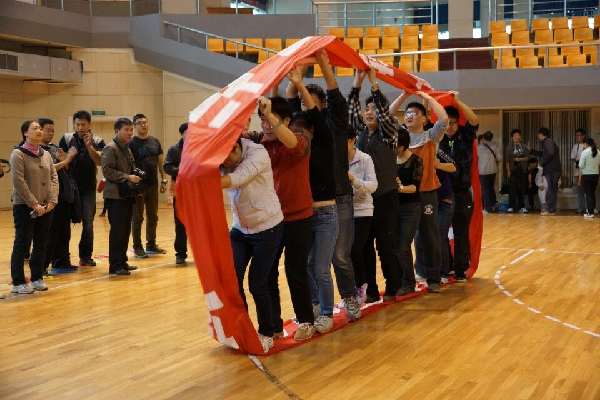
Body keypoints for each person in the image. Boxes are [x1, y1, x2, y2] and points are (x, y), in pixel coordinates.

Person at [287, 50, 361, 322]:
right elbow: (291, 96)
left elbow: (332, 85)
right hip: (309, 200)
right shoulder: (301, 126)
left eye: (310, 101)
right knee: (311, 261)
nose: (304, 105)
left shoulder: (334, 120)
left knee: (339, 257)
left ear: (323, 104)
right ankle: (317, 304)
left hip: (338, 197)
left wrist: (319, 59)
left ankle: (350, 296)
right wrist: (296, 67)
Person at [221, 137, 284, 353]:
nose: (225, 163)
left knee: (257, 283)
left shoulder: (258, 153)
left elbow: (238, 177)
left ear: (236, 147)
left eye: (228, 158)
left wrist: (202, 182)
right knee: (231, 279)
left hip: (267, 227)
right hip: (240, 229)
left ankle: (267, 332)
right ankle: (243, 328)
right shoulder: (223, 158)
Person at [260, 96, 316, 341]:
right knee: (268, 273)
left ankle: (306, 321)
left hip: (299, 217)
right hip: (270, 220)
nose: (266, 125)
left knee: (295, 271)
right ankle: (274, 324)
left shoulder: (300, 138)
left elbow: (293, 143)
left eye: (271, 120)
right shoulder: (259, 145)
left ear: (285, 121)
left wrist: (270, 116)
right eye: (262, 120)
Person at [348, 68, 402, 302]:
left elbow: (385, 115)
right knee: (364, 248)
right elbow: (351, 112)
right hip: (364, 200)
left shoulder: (389, 134)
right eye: (367, 109)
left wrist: (373, 83)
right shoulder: (359, 133)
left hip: (386, 197)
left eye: (373, 109)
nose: (369, 112)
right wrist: (357, 82)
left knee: (386, 246)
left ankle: (393, 287)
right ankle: (370, 290)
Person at [404, 95, 449, 291]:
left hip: (427, 192)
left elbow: (444, 119)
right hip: (405, 193)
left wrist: (428, 97)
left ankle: (434, 278)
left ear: (424, 119)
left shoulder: (431, 136)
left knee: (430, 236)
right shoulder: (401, 137)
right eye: (407, 113)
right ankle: (407, 279)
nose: (409, 116)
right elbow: (387, 116)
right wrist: (405, 94)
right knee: (404, 239)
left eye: (414, 113)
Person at [10, 120, 58, 294]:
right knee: (22, 243)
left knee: (41, 243)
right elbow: (19, 182)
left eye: (40, 128)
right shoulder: (18, 154)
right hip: (25, 206)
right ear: (25, 133)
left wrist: (52, 200)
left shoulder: (46, 154)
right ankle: (18, 282)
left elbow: (54, 177)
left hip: (46, 206)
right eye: (34, 128)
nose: (39, 131)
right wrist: (34, 204)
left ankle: (37, 277)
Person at [439, 92, 479, 282]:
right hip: (443, 192)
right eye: (446, 123)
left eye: (452, 123)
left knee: (461, 232)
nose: (449, 127)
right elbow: (425, 122)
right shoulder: (437, 136)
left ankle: (461, 269)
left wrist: (457, 101)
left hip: (462, 192)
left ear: (457, 122)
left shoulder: (465, 134)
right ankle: (446, 266)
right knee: (440, 231)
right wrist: (426, 99)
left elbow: (474, 120)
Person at [59, 110, 105, 267]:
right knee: (63, 223)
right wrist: (68, 157)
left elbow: (99, 162)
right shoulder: (66, 139)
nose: (80, 127)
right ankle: (62, 258)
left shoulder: (98, 140)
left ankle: (85, 256)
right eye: (77, 124)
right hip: (68, 188)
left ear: (89, 124)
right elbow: (61, 161)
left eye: (83, 124)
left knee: (88, 223)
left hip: (88, 189)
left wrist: (89, 146)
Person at [39, 118, 79, 273]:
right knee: (48, 234)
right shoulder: (36, 150)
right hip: (46, 196)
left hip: (62, 195)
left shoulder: (55, 148)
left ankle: (61, 261)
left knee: (63, 231)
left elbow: (68, 170)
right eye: (47, 130)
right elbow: (49, 169)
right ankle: (42, 265)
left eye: (52, 131)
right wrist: (67, 159)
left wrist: (66, 161)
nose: (50, 133)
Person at [101, 118, 140, 276]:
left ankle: (122, 261)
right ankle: (115, 265)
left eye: (131, 130)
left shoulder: (126, 148)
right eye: (126, 130)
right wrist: (127, 177)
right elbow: (107, 171)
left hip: (126, 194)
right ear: (117, 131)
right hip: (115, 196)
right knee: (117, 231)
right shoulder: (110, 148)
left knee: (125, 230)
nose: (130, 133)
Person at [129, 114, 168, 258]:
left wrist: (164, 180)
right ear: (135, 126)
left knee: (153, 216)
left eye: (145, 122)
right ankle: (137, 246)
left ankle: (151, 244)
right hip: (138, 185)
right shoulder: (131, 143)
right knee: (137, 217)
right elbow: (129, 165)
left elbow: (161, 163)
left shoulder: (155, 141)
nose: (143, 125)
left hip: (153, 184)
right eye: (140, 123)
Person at [347, 126, 377, 304]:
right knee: (352, 252)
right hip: (344, 212)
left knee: (355, 250)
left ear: (352, 140)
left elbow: (373, 185)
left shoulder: (365, 159)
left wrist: (355, 181)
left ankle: (361, 287)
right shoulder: (337, 160)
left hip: (363, 211)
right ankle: (357, 290)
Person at [395, 128, 423, 295]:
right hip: (394, 209)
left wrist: (400, 188)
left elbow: (415, 187)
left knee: (403, 246)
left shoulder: (416, 160)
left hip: (411, 208)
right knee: (394, 247)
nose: (395, 149)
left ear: (405, 145)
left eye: (398, 146)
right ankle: (398, 280)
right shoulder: (390, 160)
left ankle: (409, 282)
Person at [164, 122, 189, 265]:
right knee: (180, 224)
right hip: (180, 190)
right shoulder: (174, 149)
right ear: (181, 134)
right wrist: (183, 170)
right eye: (187, 133)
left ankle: (203, 253)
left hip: (196, 191)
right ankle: (180, 253)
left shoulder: (199, 148)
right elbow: (167, 167)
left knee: (199, 224)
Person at [529, 127, 561, 215]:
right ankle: (551, 209)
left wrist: (542, 162)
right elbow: (544, 154)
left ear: (541, 134)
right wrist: (532, 151)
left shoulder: (548, 141)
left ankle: (551, 210)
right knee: (552, 189)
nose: (537, 136)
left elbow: (551, 153)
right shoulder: (547, 142)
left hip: (552, 169)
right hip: (552, 169)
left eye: (538, 134)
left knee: (552, 189)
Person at [505, 129, 530, 213]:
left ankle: (521, 206)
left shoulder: (524, 146)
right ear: (511, 137)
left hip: (522, 170)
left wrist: (520, 159)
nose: (517, 137)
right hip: (513, 170)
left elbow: (528, 158)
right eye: (515, 135)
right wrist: (508, 171)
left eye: (518, 135)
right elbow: (507, 161)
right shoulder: (509, 147)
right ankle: (511, 206)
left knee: (522, 188)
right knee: (512, 188)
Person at [478, 131, 500, 213]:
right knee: (491, 188)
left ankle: (487, 208)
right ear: (491, 138)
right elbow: (499, 158)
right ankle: (493, 205)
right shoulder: (495, 146)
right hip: (493, 170)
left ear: (483, 138)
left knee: (485, 189)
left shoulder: (479, 147)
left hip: (483, 171)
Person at [578, 137, 600, 218]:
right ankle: (592, 210)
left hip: (587, 175)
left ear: (586, 144)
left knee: (588, 194)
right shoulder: (598, 151)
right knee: (592, 193)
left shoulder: (584, 152)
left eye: (583, 143)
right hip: (595, 175)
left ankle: (590, 212)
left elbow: (581, 165)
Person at [571, 129, 586, 214]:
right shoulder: (575, 146)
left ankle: (589, 208)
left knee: (588, 191)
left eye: (579, 135)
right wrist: (577, 162)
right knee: (579, 191)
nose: (577, 137)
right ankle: (581, 207)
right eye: (576, 135)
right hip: (577, 171)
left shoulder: (587, 146)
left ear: (583, 136)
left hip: (586, 171)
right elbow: (572, 157)